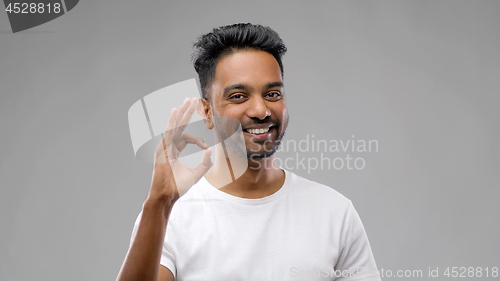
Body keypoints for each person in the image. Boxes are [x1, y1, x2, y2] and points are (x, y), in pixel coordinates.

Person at [116, 23, 381, 281]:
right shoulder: (171, 216)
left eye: (273, 94)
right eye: (238, 96)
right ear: (207, 113)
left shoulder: (334, 213)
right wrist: (159, 203)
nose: (260, 110)